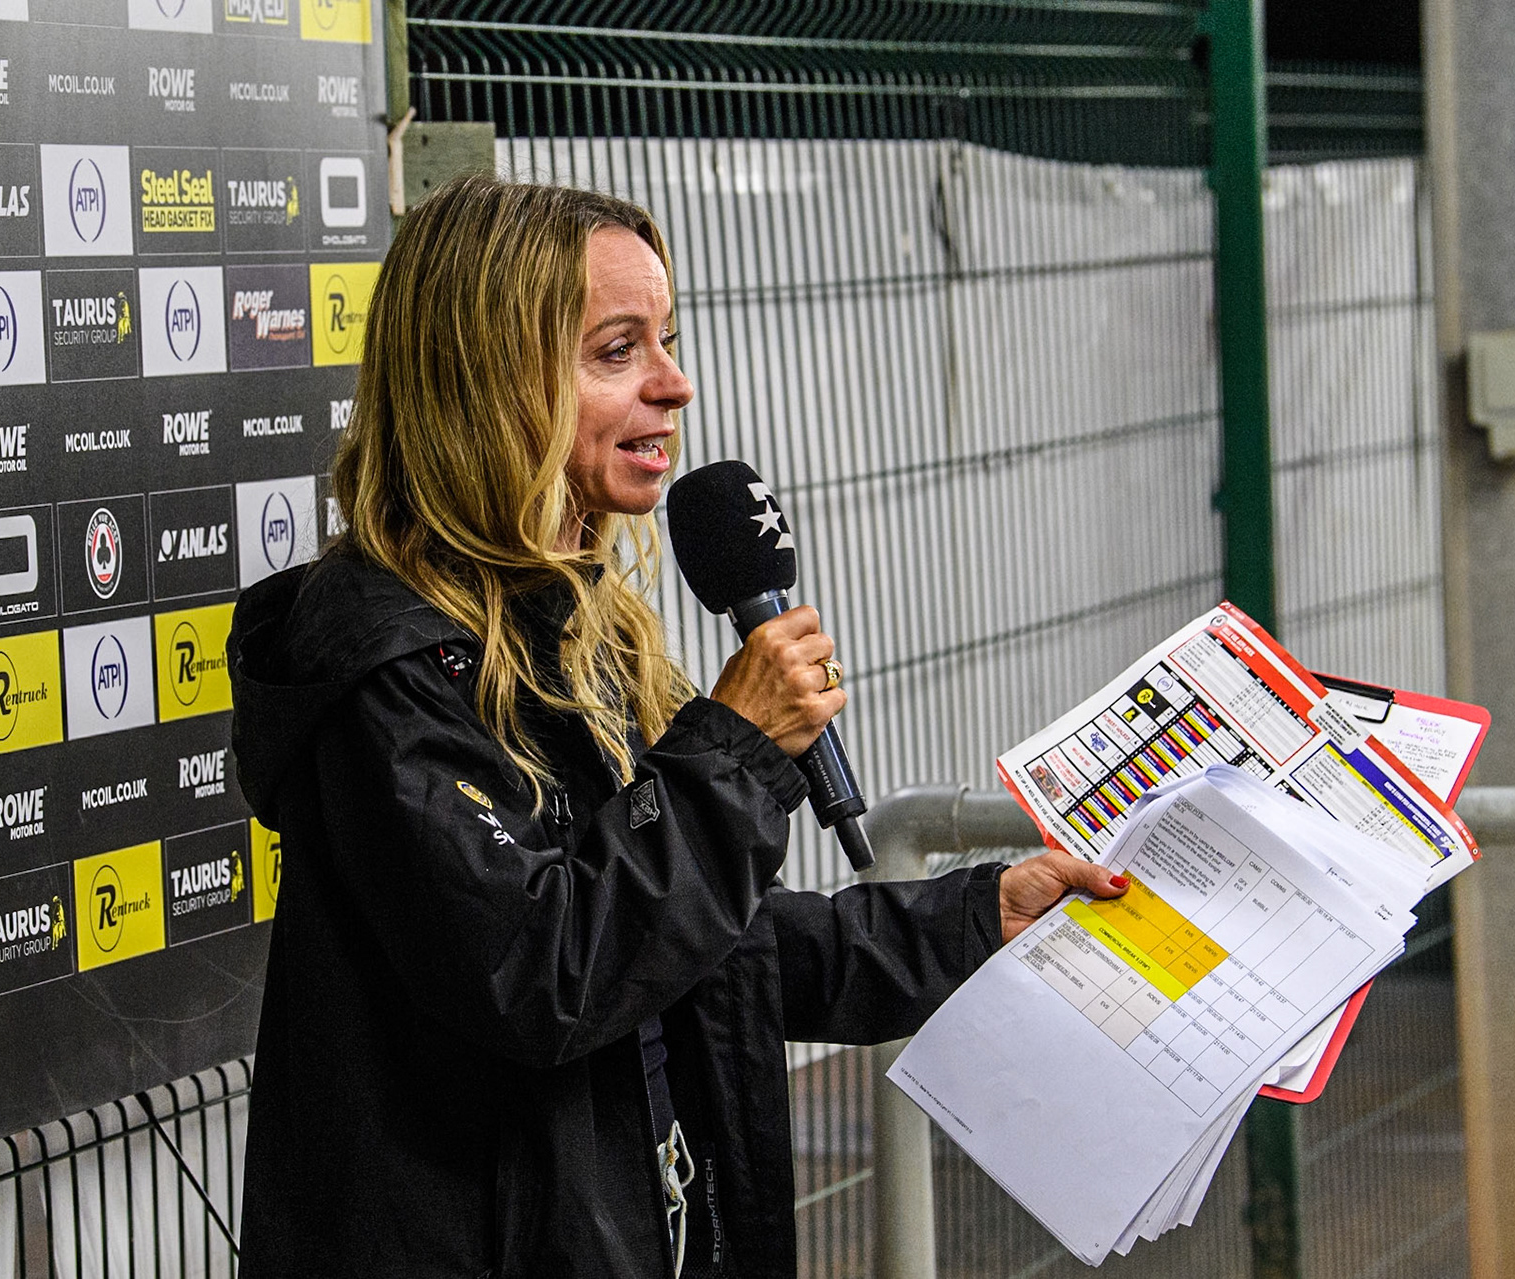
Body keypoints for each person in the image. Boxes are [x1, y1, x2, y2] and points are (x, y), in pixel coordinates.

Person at [227, 174, 1126, 1279]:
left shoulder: (577, 626)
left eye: (667, 339)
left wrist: (975, 914)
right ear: (488, 384)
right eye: (616, 351)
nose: (675, 384)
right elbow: (544, 969)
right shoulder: (387, 668)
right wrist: (734, 748)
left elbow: (706, 950)